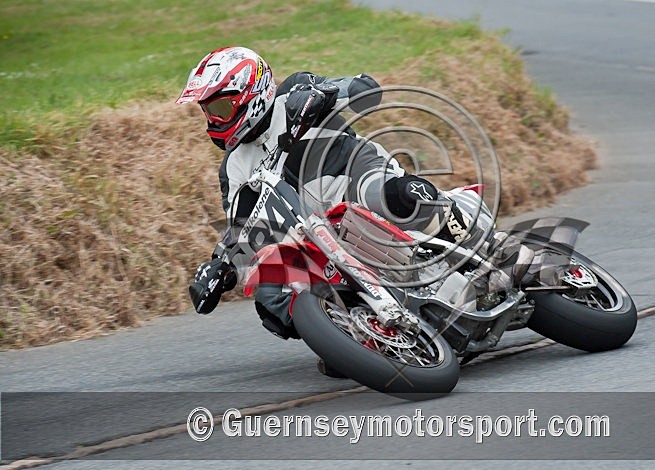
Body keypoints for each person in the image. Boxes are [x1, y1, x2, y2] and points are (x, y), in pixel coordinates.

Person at [177, 46, 486, 339]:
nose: (215, 121)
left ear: (252, 94)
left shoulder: (295, 90)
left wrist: (324, 95)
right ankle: (353, 333)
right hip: (313, 228)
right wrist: (221, 267)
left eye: (220, 107)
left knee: (396, 197)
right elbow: (243, 230)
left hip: (356, 178)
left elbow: (368, 90)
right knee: (270, 296)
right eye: (210, 112)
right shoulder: (233, 169)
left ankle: (491, 251)